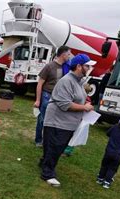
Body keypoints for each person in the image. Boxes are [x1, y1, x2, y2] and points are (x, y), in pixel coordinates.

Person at [40, 53, 96, 187]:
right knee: (55, 147)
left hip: (66, 122)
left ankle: (44, 163)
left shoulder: (77, 81)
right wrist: (84, 107)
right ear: (78, 66)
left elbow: (81, 90)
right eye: (87, 66)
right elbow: (65, 104)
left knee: (55, 147)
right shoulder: (67, 81)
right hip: (57, 121)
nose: (89, 68)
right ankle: (47, 174)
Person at [34, 46, 71, 147]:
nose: (69, 56)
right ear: (63, 54)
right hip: (47, 95)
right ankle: (38, 140)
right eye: (68, 54)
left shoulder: (65, 67)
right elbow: (40, 83)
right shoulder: (49, 66)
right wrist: (38, 100)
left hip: (57, 97)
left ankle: (48, 141)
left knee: (53, 121)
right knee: (42, 119)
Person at [96, 114, 120, 189]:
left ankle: (100, 179)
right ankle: (107, 182)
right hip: (118, 154)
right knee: (113, 168)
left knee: (104, 165)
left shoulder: (115, 127)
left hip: (108, 151)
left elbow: (108, 133)